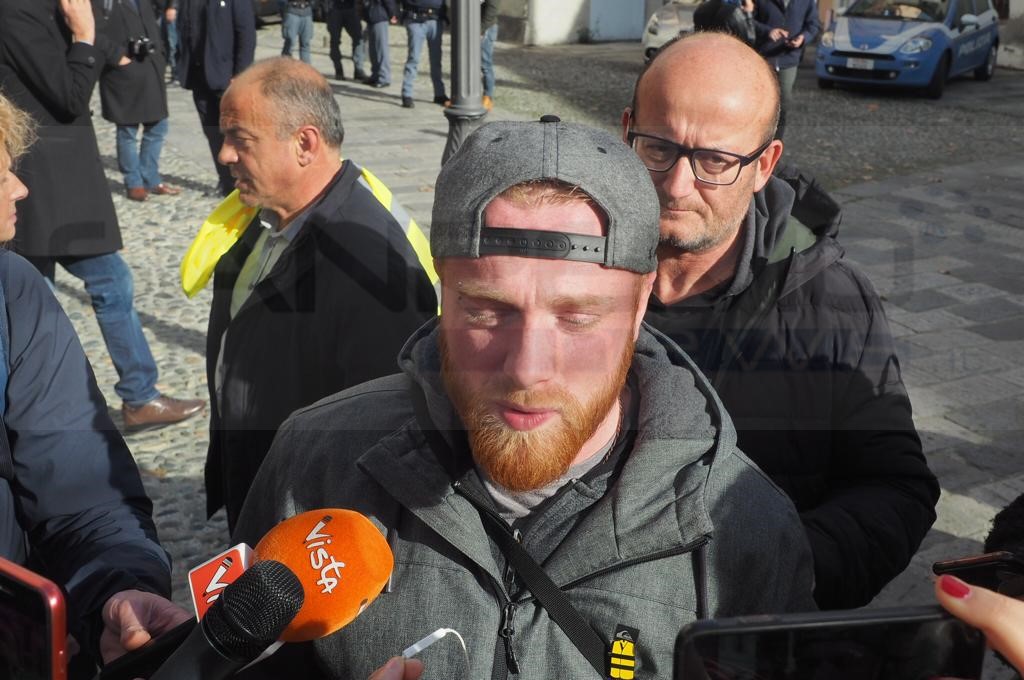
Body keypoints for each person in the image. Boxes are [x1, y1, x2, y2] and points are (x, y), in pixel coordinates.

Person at [233, 117, 816, 679]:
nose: (527, 369)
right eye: (487, 311)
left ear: (640, 305)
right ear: (443, 292)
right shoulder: (314, 461)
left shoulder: (743, 529)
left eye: (578, 317)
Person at [624, 32, 939, 611]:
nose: (676, 185)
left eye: (716, 161)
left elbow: (896, 490)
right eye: (657, 148)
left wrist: (777, 572)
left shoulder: (832, 300)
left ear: (764, 165)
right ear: (627, 132)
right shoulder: (563, 275)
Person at [0, 90, 191, 676]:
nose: (20, 188)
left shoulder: (13, 292)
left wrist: (117, 586)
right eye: (0, 174)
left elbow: (78, 486)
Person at [206, 57, 437, 532]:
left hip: (302, 519)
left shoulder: (370, 266)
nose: (224, 154)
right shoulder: (268, 213)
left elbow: (382, 437)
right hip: (259, 483)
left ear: (305, 144)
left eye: (240, 139)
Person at [0, 0, 206, 431]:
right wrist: (84, 37)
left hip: (63, 181)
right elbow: (69, 94)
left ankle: (117, 398)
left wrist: (111, 49)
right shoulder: (13, 12)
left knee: (37, 294)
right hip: (47, 185)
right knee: (69, 291)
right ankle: (132, 397)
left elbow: (92, 35)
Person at [96, 0, 182, 202]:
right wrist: (117, 56)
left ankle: (151, 178)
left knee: (158, 125)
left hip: (150, 66)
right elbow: (89, 30)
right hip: (121, 71)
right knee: (127, 129)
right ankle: (134, 182)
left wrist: (160, 53)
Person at [177, 0, 256, 196]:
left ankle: (247, 182)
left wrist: (240, 74)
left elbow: (246, 34)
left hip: (226, 78)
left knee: (237, 134)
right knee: (212, 133)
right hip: (199, 78)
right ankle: (226, 183)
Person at [752, 0, 820, 138]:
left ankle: (777, 141)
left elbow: (813, 25)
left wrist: (802, 38)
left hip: (789, 59)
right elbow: (749, 21)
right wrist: (768, 31)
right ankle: (756, 139)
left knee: (783, 104)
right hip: (763, 57)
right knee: (759, 101)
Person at [399, 0, 447, 108]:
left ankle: (439, 94)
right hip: (415, 18)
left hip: (435, 18)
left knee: (436, 59)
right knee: (413, 58)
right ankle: (407, 94)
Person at [327, 0, 368, 81]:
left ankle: (359, 69)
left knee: (358, 39)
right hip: (334, 8)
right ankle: (338, 69)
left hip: (351, 7)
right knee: (334, 41)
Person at [364, 0, 399, 88]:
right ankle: (375, 75)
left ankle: (384, 77)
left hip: (380, 16)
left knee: (381, 49)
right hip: (371, 16)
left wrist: (393, 14)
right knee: (373, 49)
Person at [280, 0, 314, 64]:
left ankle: (305, 68)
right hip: (292, 11)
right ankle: (284, 66)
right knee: (290, 43)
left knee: (306, 44)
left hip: (307, 12)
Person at [480, 0, 498, 110]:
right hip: (479, 26)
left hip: (487, 28)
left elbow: (492, 8)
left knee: (485, 64)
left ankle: (488, 97)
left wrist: (481, 29)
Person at [161, 0, 180, 84]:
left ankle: (176, 75)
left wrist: (172, 6)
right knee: (168, 44)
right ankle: (175, 74)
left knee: (173, 44)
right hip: (164, 9)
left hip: (170, 10)